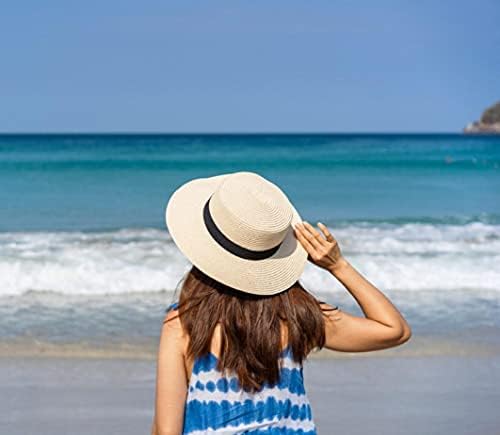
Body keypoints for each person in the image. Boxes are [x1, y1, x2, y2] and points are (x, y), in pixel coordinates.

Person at [152, 171, 411, 435]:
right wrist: (337, 265)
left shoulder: (183, 324)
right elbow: (394, 330)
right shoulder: (298, 316)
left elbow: (165, 430)